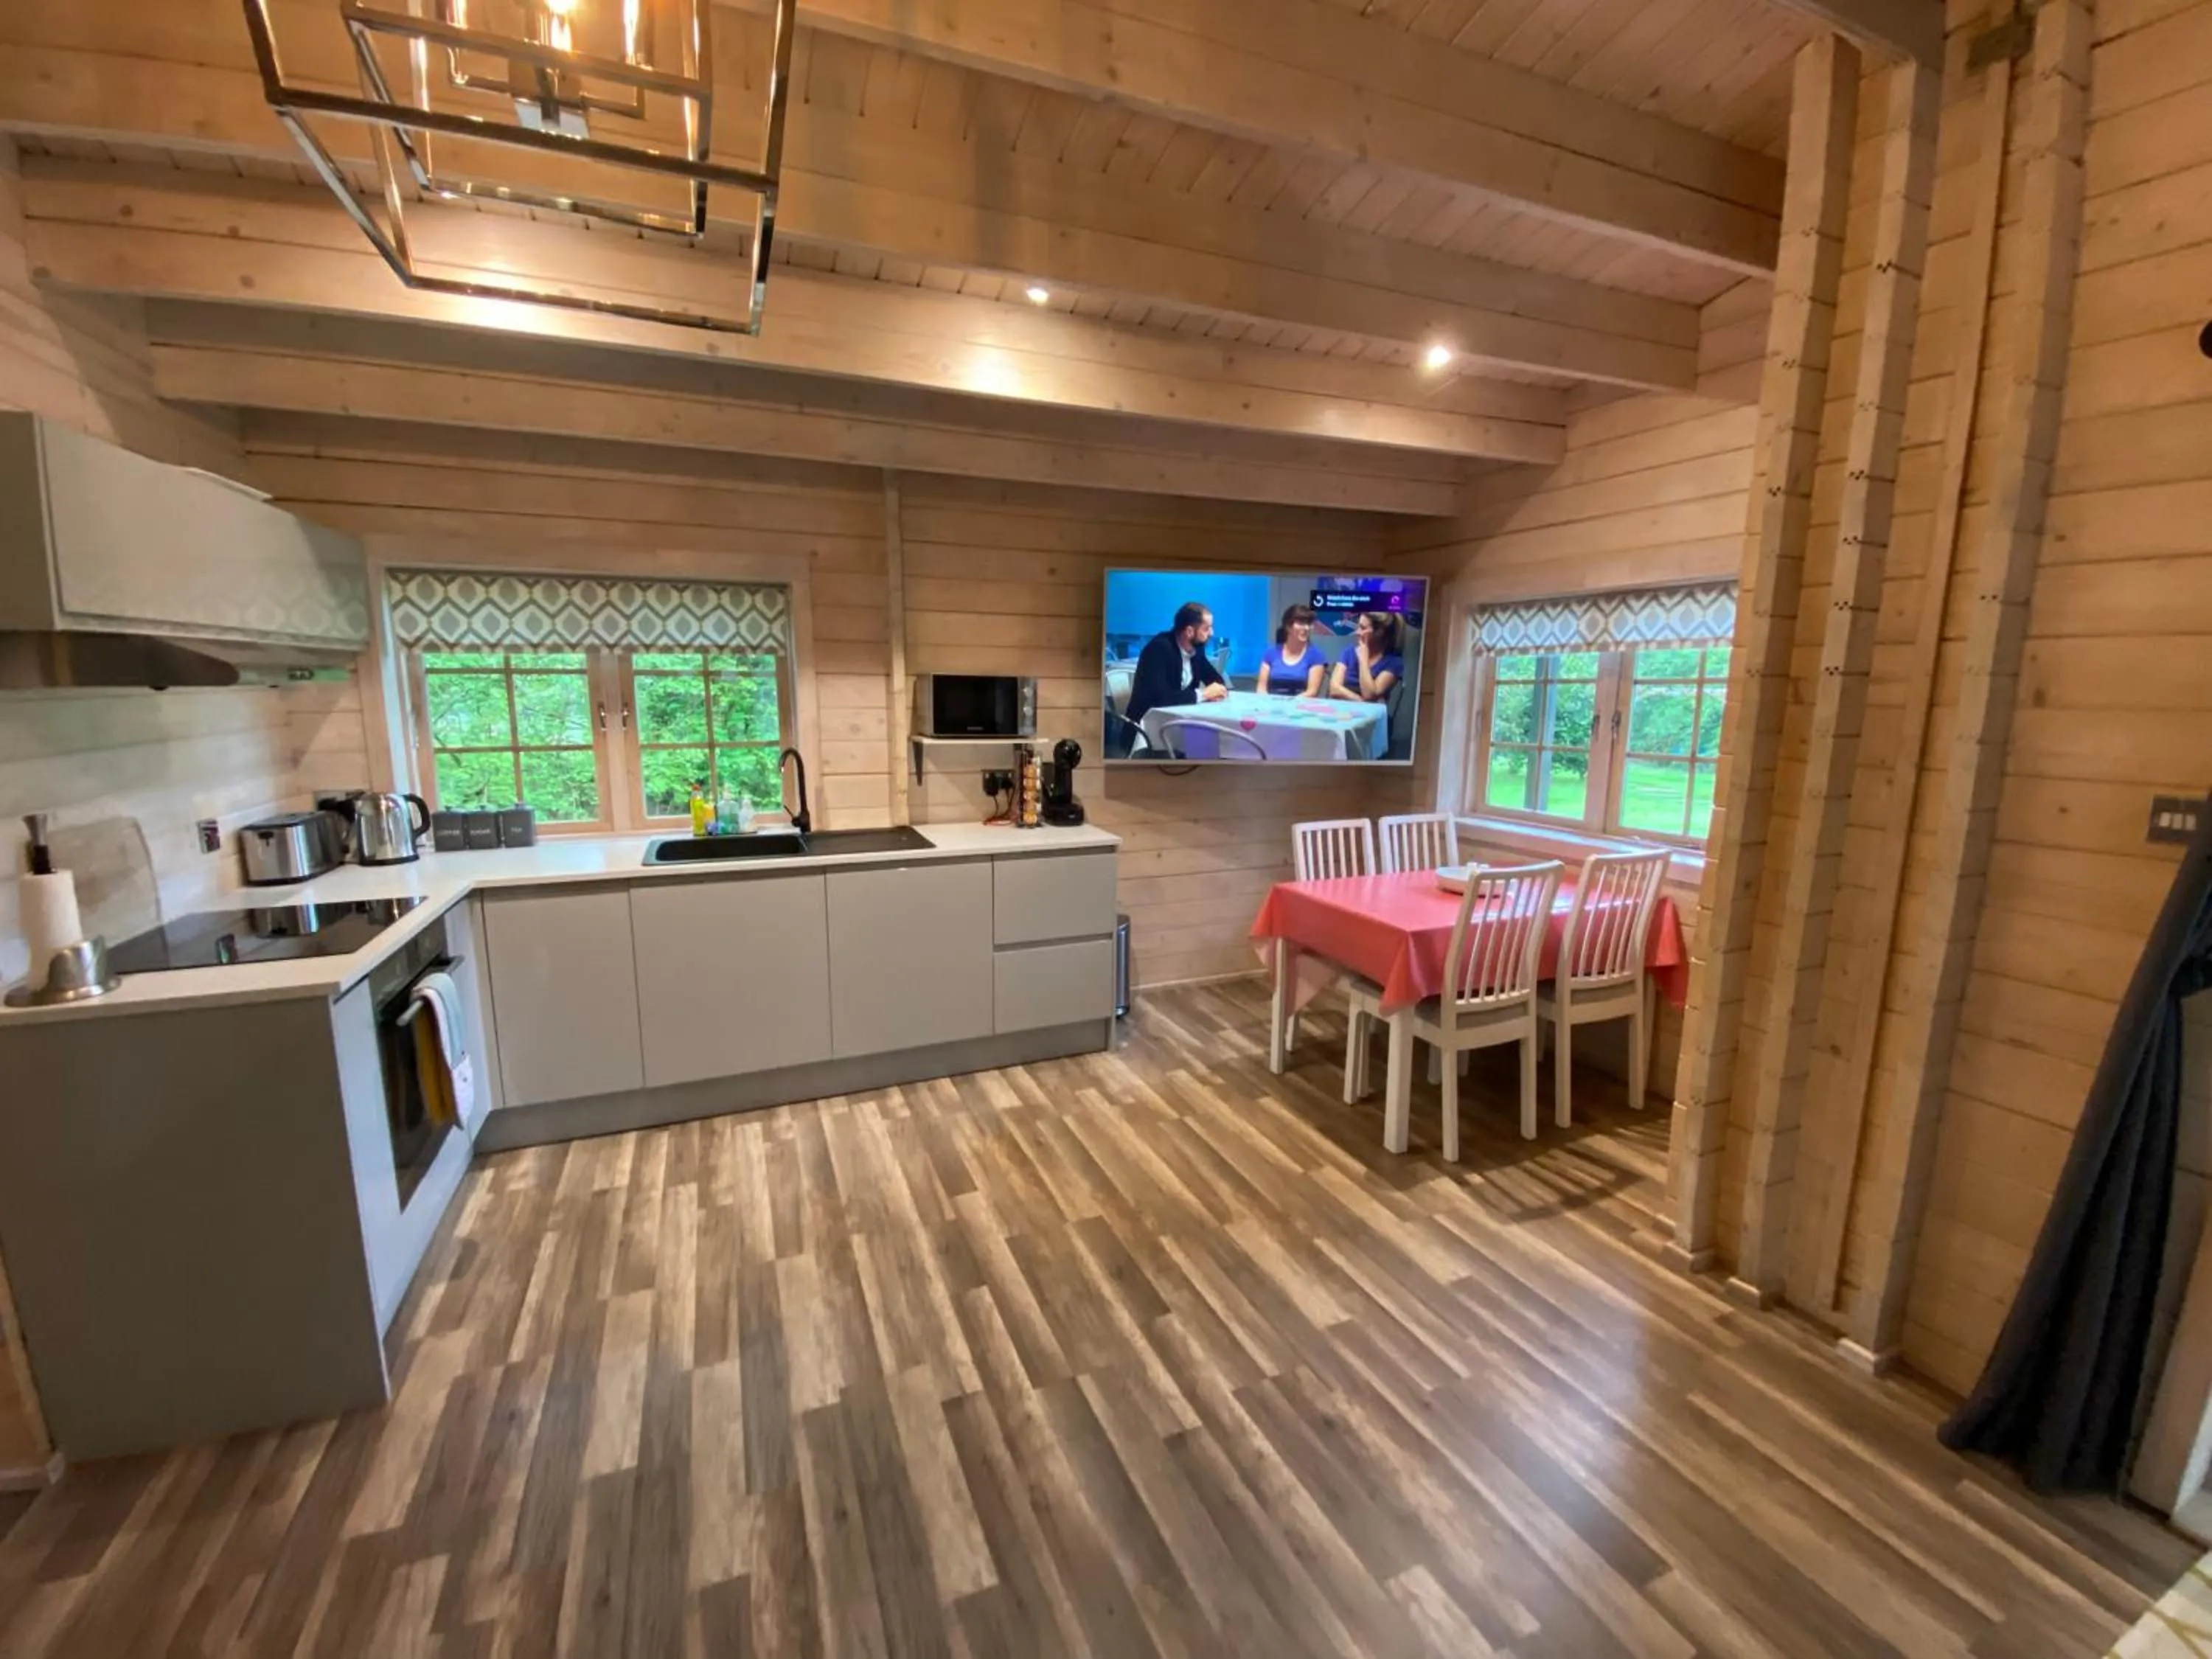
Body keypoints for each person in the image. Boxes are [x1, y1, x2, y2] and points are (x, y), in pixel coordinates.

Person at [1125, 601, 1228, 724]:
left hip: (1178, 721)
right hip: (1146, 725)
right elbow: (1160, 698)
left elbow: (1215, 680)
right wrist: (1203, 694)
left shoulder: (1197, 649)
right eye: (1206, 629)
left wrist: (1218, 690)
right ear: (1189, 631)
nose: (1212, 633)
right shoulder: (1158, 649)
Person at [1329, 611, 1404, 703]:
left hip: (1372, 712)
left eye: (1363, 628)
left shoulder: (1393, 662)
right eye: (1358, 627)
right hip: (1342, 708)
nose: (1357, 632)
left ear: (1379, 632)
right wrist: (1360, 701)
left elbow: (1369, 695)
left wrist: (1363, 660)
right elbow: (1334, 689)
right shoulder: (1349, 652)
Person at [1255, 604, 1324, 698]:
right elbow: (1261, 689)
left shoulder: (1316, 656)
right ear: (1288, 626)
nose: (1306, 628)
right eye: (1301, 623)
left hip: (1300, 704)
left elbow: (1312, 692)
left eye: (1309, 624)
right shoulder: (1270, 654)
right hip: (1271, 704)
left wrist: (1290, 703)